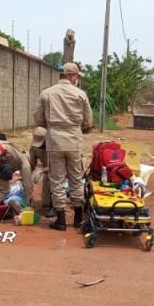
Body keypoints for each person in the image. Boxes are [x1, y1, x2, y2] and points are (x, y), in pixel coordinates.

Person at [33, 62, 93, 231]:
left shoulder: (47, 93)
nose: (77, 80)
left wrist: (52, 126)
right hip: (74, 141)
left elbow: (38, 117)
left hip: (55, 141)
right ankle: (78, 219)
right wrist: (76, 128)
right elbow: (88, 121)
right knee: (76, 179)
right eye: (77, 77)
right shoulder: (81, 94)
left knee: (57, 180)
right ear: (72, 76)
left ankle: (60, 220)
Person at [29, 126, 55, 218]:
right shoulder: (34, 148)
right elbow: (31, 164)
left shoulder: (55, 146)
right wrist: (27, 177)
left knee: (53, 184)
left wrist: (42, 171)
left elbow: (57, 164)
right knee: (45, 201)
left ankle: (55, 207)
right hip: (46, 170)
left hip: (58, 169)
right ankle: (47, 206)